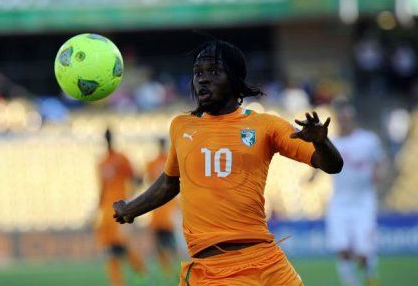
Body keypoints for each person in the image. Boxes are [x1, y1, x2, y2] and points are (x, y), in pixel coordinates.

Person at [113, 40, 343, 285]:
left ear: (234, 79)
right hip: (212, 272)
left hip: (267, 264)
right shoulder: (182, 126)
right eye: (198, 73)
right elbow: (170, 182)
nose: (202, 79)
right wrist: (131, 209)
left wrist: (322, 143)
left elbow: (331, 164)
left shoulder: (266, 126)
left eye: (213, 71)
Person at [311, 98, 388, 286]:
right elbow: (319, 160)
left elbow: (382, 161)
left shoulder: (368, 140)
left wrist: (381, 174)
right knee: (343, 249)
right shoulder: (332, 142)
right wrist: (311, 176)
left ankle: (370, 277)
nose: (344, 120)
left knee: (363, 253)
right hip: (339, 202)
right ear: (337, 119)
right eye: (341, 117)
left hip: (363, 201)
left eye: (347, 116)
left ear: (353, 117)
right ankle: (351, 283)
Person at [96, 128, 145, 286]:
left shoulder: (121, 158)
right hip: (105, 212)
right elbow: (102, 188)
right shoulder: (101, 162)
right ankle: (118, 283)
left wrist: (131, 202)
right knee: (109, 250)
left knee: (122, 246)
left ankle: (140, 274)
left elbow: (136, 178)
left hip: (120, 210)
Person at [146, 138, 178, 275]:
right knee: (162, 245)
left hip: (164, 211)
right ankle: (169, 270)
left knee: (167, 245)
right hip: (161, 211)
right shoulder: (155, 162)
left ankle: (172, 269)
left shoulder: (159, 162)